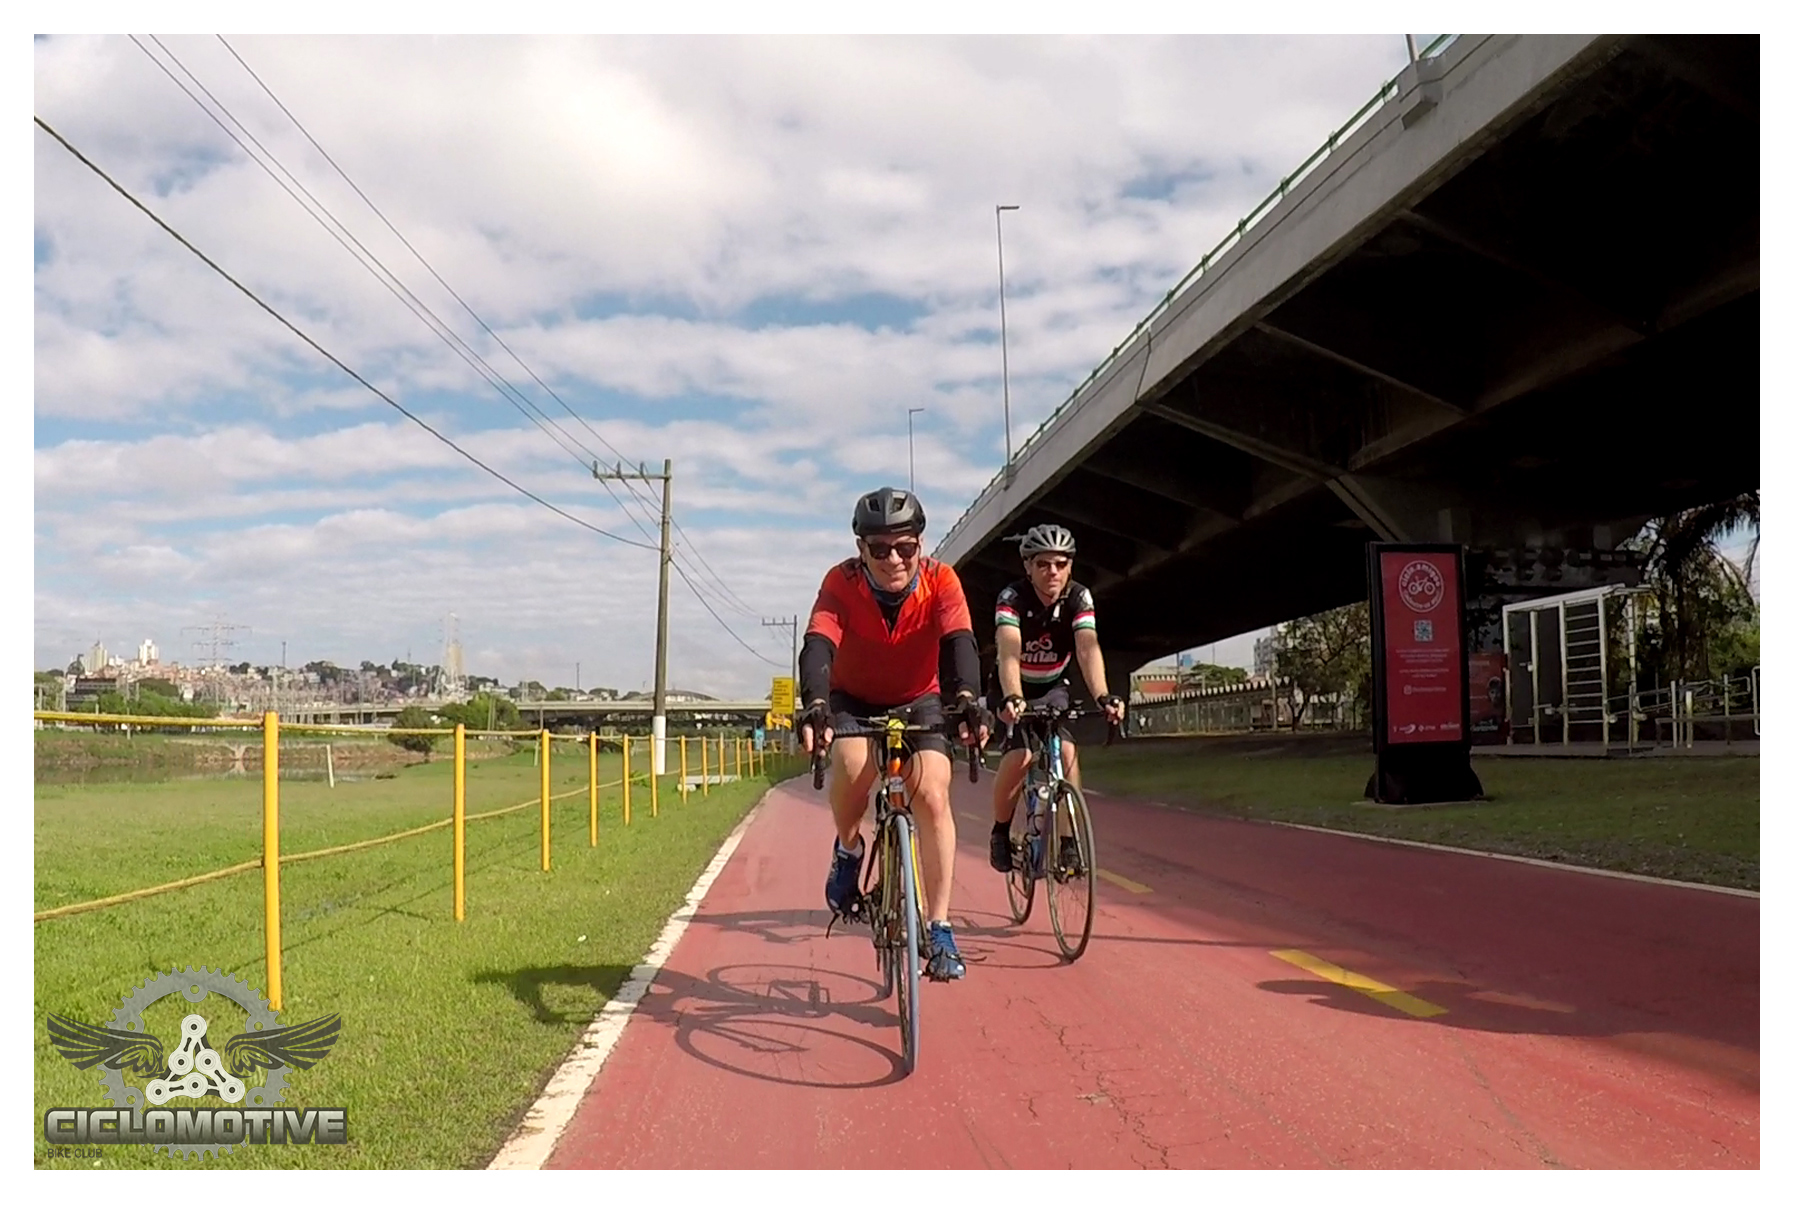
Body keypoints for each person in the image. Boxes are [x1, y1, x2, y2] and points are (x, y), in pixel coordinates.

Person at [797, 487, 988, 981]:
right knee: (852, 765)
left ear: (920, 544)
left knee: (934, 795)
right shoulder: (840, 582)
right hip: (853, 697)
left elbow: (959, 643)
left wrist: (967, 699)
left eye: (905, 547)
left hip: (918, 696)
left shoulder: (941, 580)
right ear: (861, 550)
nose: (894, 560)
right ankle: (848, 849)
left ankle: (940, 927)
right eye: (880, 549)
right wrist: (815, 704)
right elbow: (818, 644)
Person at [988, 524, 1125, 874]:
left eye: (1061, 564)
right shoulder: (1012, 597)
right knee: (1021, 755)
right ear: (1028, 566)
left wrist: (1103, 695)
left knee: (1065, 751)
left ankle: (1067, 842)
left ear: (1070, 566)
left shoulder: (1079, 597)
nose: (1053, 572)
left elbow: (1087, 647)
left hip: (1052, 686)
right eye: (1043, 564)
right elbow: (1009, 651)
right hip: (1013, 685)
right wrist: (1013, 696)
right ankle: (1000, 831)